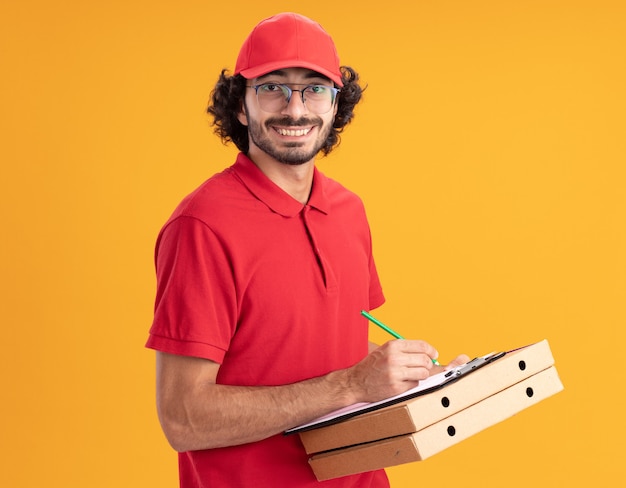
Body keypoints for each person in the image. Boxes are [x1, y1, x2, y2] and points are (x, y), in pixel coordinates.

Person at [146, 12, 468, 488]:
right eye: (272, 87)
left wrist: (421, 377)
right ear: (240, 106)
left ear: (336, 107)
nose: (295, 110)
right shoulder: (203, 225)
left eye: (315, 89)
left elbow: (329, 342)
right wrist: (352, 386)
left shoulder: (348, 210)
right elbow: (183, 418)